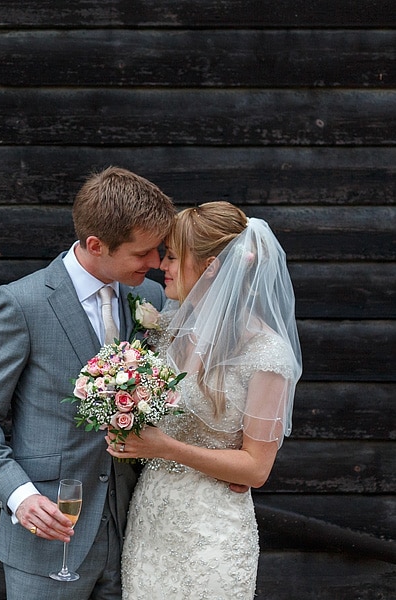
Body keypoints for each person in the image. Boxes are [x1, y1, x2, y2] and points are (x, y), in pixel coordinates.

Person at [0, 166, 176, 599]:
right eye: (143, 252)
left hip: (134, 532)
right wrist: (19, 497)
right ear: (96, 245)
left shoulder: (151, 299)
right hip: (51, 532)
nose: (156, 263)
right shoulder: (22, 304)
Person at [107, 201, 302, 599]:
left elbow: (255, 468)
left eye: (174, 257)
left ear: (211, 267)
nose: (163, 266)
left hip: (210, 533)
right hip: (150, 523)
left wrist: (165, 447)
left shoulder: (267, 354)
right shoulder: (168, 327)